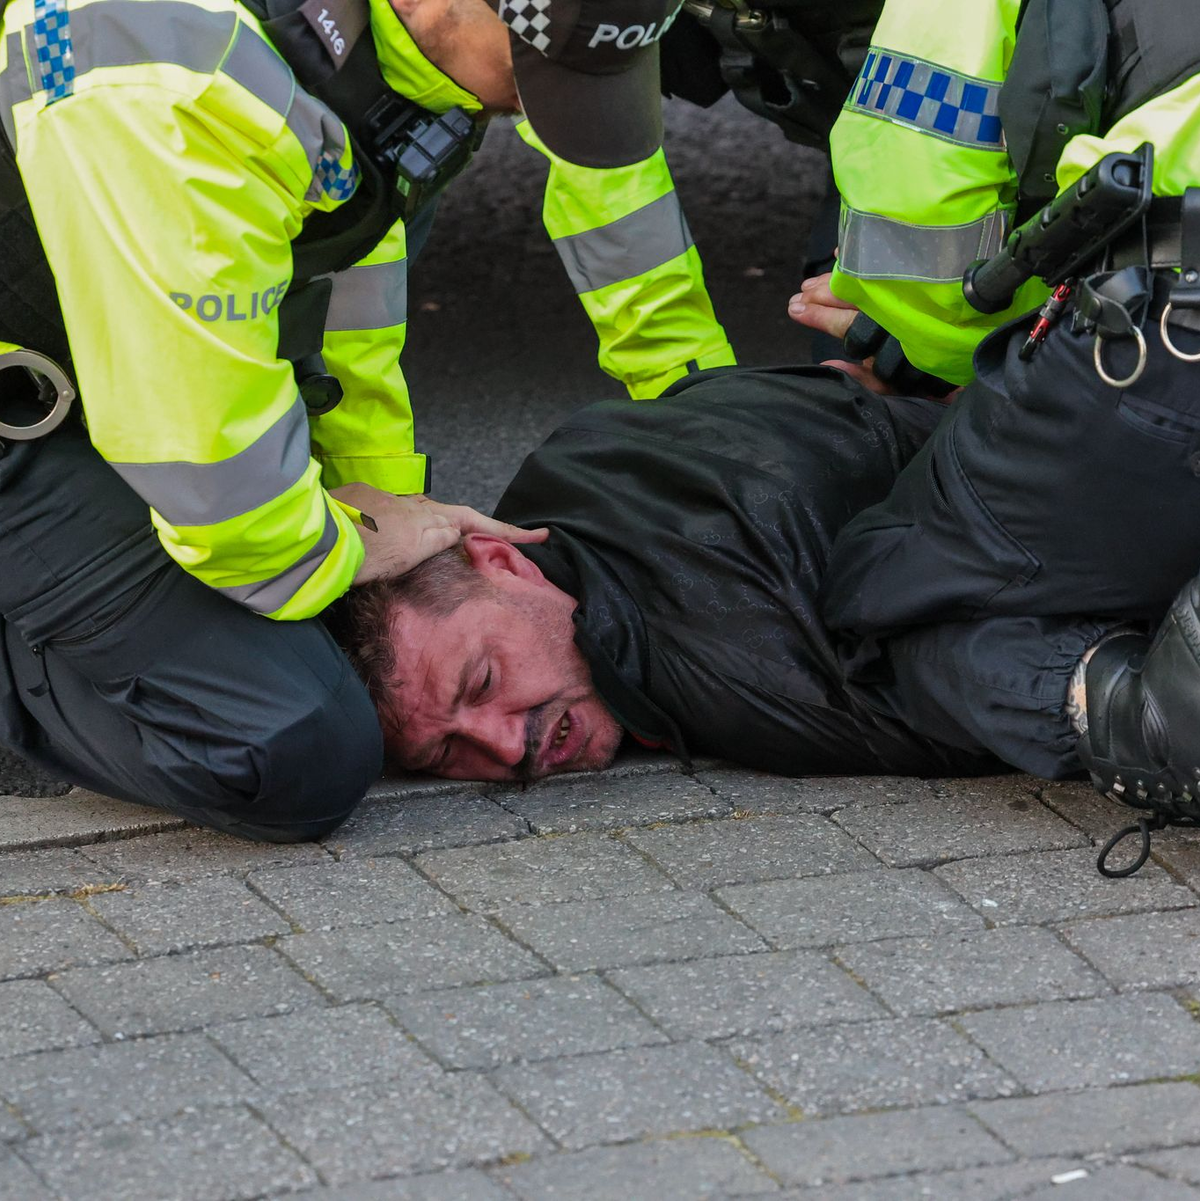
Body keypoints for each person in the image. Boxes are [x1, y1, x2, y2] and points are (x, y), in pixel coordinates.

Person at [0, 0, 729, 838]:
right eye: (529, 75)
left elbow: (347, 325)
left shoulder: (376, 68)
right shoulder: (175, 85)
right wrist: (335, 548)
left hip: (100, 385)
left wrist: (392, 520)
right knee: (287, 746)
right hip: (47, 413)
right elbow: (215, 485)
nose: (530, 108)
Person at [784, 0, 1200, 861]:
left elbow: (925, 233)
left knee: (886, 594)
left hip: (1175, 315)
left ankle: (1157, 718)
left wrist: (901, 341)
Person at [333, 364, 1009, 783]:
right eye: (444, 756)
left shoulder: (734, 674)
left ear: (504, 559)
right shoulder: (573, 458)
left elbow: (980, 714)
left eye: (482, 680)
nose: (506, 748)